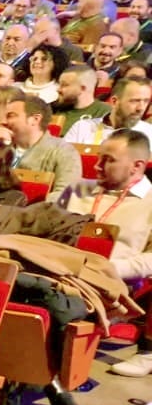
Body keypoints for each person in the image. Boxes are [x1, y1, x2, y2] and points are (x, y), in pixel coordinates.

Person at [53, 130, 152, 377]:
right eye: (99, 157)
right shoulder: (78, 189)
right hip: (58, 268)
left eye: (109, 160)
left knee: (54, 304)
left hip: (113, 281)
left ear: (137, 166)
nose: (97, 165)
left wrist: (109, 267)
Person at [1, 93, 82, 199]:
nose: (3, 122)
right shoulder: (1, 148)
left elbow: (65, 196)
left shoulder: (64, 152)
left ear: (35, 119)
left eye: (11, 116)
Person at [64, 75, 152, 145]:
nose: (141, 108)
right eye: (135, 101)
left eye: (146, 101)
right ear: (114, 101)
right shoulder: (82, 127)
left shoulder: (149, 133)